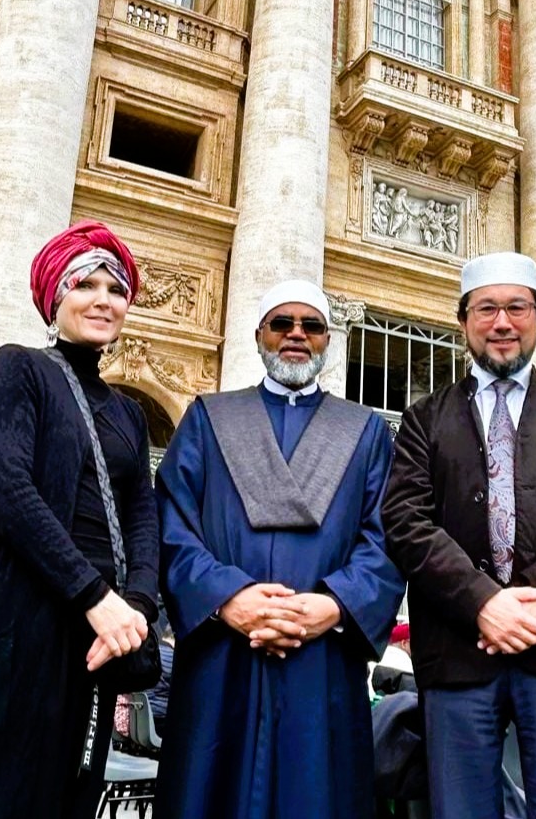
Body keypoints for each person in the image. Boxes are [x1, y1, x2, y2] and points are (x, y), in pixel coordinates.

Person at [0, 220, 159, 819]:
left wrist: (138, 609)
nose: (102, 300)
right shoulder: (16, 369)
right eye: (85, 284)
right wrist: (95, 596)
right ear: (54, 298)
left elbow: (143, 516)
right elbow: (7, 492)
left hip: (97, 643)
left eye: (116, 289)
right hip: (17, 628)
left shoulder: (128, 413)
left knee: (67, 794)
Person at [383, 252, 536, 819]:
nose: (502, 323)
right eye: (487, 309)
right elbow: (405, 520)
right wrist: (483, 603)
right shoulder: (425, 418)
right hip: (457, 654)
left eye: (517, 308)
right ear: (464, 321)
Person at [154, 278, 405, 819]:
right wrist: (228, 598)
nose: (296, 334)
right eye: (282, 324)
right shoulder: (208, 419)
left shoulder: (365, 432)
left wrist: (335, 606)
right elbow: (171, 525)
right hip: (223, 652)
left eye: (311, 325)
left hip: (321, 654)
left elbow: (386, 538)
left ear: (328, 340)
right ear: (258, 335)